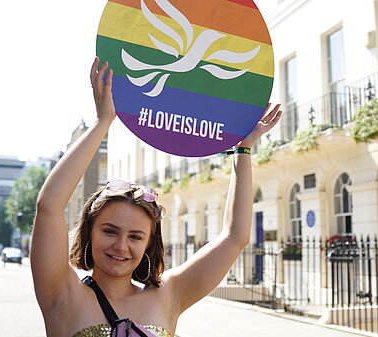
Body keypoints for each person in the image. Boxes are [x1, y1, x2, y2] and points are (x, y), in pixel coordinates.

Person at [30, 57, 282, 337]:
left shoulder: (169, 294)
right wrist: (103, 122)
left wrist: (243, 151)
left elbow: (235, 237)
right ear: (89, 232)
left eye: (136, 236)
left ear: (150, 243)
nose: (121, 246)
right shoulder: (61, 295)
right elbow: (49, 207)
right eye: (110, 231)